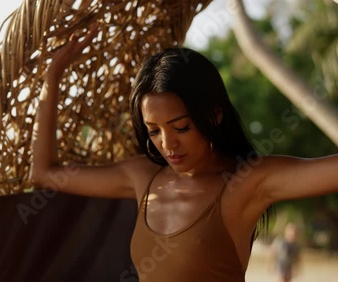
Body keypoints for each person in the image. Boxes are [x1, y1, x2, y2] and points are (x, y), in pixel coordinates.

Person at [29, 23, 338, 281]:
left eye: (181, 127)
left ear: (214, 116)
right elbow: (44, 174)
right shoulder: (142, 178)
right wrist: (53, 77)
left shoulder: (246, 182)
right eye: (154, 131)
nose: (168, 144)